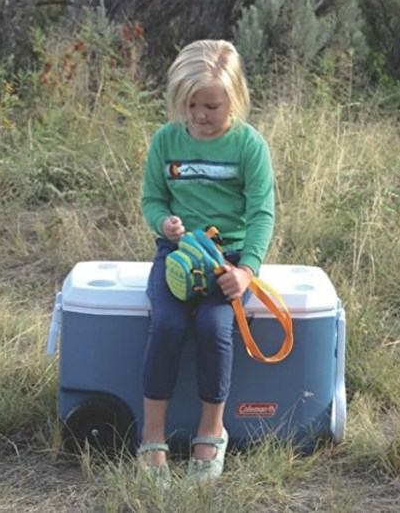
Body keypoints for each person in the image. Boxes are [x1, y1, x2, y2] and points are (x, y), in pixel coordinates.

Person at [138, 39, 276, 484]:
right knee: (168, 325)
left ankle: (210, 433)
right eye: (191, 104)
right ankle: (152, 437)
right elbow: (152, 198)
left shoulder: (249, 146)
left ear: (234, 97)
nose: (199, 115)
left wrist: (246, 271)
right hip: (177, 257)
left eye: (211, 105)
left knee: (214, 328)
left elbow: (261, 213)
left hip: (227, 260)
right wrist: (165, 224)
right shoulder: (166, 140)